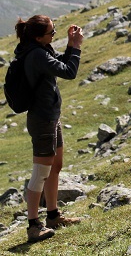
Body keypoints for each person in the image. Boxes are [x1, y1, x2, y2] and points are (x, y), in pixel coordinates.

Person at [14, 15, 84, 243]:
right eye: (51, 33)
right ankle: (33, 226)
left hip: (52, 116)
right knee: (41, 173)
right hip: (42, 119)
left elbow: (61, 63)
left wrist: (69, 45)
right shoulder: (36, 54)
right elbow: (69, 72)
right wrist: (75, 46)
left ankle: (53, 215)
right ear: (37, 36)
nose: (53, 35)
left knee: (56, 166)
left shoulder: (40, 48)